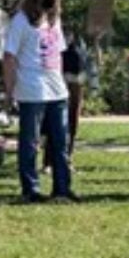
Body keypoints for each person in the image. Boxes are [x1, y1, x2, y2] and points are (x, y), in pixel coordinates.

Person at [4, 0, 77, 204]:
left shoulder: (54, 21)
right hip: (31, 89)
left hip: (57, 90)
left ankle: (62, 189)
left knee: (60, 141)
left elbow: (59, 54)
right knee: (30, 142)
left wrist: (65, 82)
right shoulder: (21, 20)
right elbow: (9, 57)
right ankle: (31, 190)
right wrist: (10, 91)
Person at [42, 23, 86, 173]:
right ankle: (48, 162)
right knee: (53, 126)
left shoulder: (78, 52)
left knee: (72, 126)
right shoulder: (52, 51)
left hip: (75, 88)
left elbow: (83, 73)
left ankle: (67, 159)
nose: (66, 38)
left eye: (69, 34)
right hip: (57, 88)